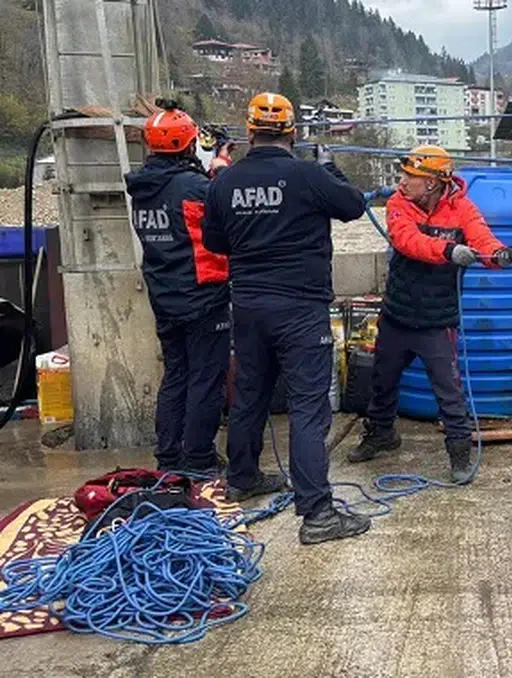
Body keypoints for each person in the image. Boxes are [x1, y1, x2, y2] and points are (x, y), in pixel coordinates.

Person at [203, 92, 371, 545]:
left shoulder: (224, 182)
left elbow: (215, 243)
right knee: (308, 407)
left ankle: (242, 477)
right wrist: (330, 165)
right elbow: (354, 205)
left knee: (250, 396)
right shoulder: (308, 175)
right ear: (292, 132)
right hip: (299, 308)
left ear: (249, 130)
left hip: (250, 307)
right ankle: (317, 512)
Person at [347, 145, 512, 483]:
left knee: (448, 392)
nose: (403, 182)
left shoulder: (463, 209)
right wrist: (450, 250)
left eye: (412, 177)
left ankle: (459, 455)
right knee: (382, 382)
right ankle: (381, 435)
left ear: (436, 182)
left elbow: (481, 236)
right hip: (397, 316)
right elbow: (407, 241)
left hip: (437, 323)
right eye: (404, 175)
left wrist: (497, 254)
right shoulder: (398, 205)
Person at [124, 103, 231, 476]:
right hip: (203, 296)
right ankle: (199, 459)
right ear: (187, 145)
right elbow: (222, 218)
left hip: (165, 296)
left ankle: (169, 457)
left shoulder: (142, 188)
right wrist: (219, 168)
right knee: (206, 380)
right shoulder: (195, 187)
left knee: (176, 376)